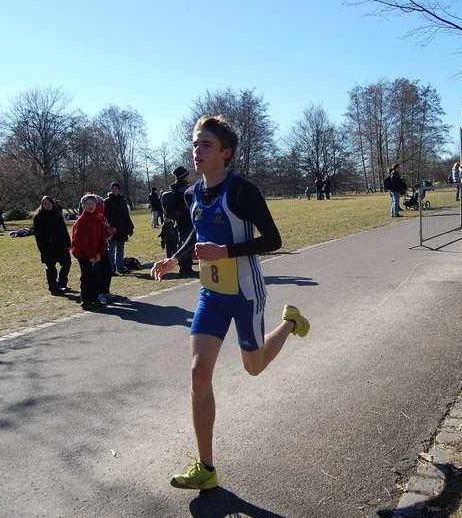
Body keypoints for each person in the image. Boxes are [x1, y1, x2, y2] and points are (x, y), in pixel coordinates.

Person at [151, 115, 310, 491]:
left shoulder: (242, 191)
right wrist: (176, 257)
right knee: (198, 373)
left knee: (253, 367)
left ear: (226, 153)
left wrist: (226, 251)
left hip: (245, 293)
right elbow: (197, 228)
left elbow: (272, 239)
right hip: (211, 294)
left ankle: (290, 321)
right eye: (194, 144)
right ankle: (206, 468)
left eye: (205, 145)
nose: (197, 151)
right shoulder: (192, 194)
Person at [70, 194, 108, 311]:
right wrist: (90, 255)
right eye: (87, 204)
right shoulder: (80, 222)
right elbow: (81, 241)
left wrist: (99, 253)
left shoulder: (97, 220)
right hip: (83, 254)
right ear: (83, 206)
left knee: (96, 276)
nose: (90, 206)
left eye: (92, 204)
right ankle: (86, 300)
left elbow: (103, 238)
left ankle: (95, 298)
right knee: (86, 277)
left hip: (96, 254)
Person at [33, 196, 72, 295]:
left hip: (60, 245)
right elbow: (38, 235)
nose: (47, 205)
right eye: (45, 203)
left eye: (49, 202)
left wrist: (68, 242)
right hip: (48, 247)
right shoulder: (39, 217)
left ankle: (62, 283)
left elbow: (64, 230)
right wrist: (42, 249)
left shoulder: (57, 214)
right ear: (42, 205)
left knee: (67, 263)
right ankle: (53, 288)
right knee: (51, 268)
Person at [161, 166, 196, 277]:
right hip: (186, 220)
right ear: (184, 176)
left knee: (183, 243)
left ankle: (185, 268)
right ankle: (186, 269)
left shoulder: (175, 189)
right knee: (186, 244)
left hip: (179, 221)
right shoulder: (184, 190)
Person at [104, 182, 135, 275]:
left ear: (118, 189)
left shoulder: (122, 201)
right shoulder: (107, 201)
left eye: (116, 188)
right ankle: (110, 268)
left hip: (122, 228)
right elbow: (106, 216)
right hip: (112, 229)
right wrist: (108, 228)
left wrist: (130, 228)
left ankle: (120, 267)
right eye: (112, 188)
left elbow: (126, 215)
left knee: (120, 250)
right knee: (111, 250)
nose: (114, 189)